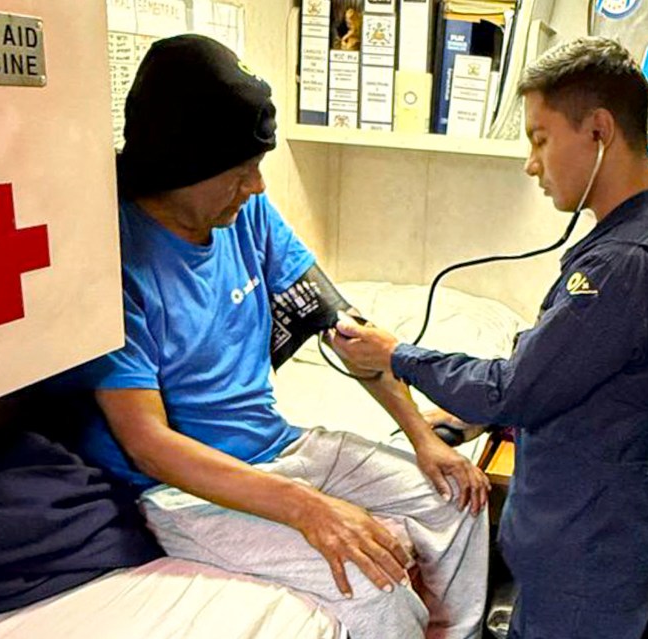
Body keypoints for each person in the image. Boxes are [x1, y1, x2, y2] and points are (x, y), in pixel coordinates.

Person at [78, 34, 489, 639]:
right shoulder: (116, 260)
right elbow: (148, 445)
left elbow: (345, 328)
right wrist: (309, 509)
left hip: (280, 445)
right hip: (181, 490)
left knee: (457, 500)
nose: (258, 188)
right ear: (180, 164)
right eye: (241, 172)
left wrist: (423, 437)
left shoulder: (246, 216)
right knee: (373, 585)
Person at [331, 37, 648, 639]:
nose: (532, 163)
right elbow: (562, 371)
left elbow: (515, 389)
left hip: (584, 553)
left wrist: (397, 355)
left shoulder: (625, 264)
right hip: (583, 542)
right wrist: (463, 421)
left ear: (599, 131)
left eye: (539, 139)